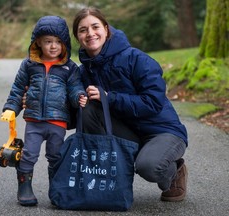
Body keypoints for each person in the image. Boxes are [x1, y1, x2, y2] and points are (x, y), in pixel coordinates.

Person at [71, 7, 188, 202]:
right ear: (77, 37)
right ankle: (106, 178)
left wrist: (110, 97)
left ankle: (175, 170)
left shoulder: (137, 59)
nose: (90, 33)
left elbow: (153, 103)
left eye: (95, 26)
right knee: (89, 109)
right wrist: (40, 103)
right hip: (127, 132)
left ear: (106, 29)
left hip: (162, 131)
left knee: (149, 167)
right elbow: (77, 117)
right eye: (83, 30)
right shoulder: (84, 72)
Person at [2, 15, 87, 206]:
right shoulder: (29, 65)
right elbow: (17, 88)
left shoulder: (69, 68)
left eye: (58, 42)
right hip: (34, 121)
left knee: (56, 156)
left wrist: (79, 96)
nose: (53, 46)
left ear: (65, 44)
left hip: (57, 122)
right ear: (38, 42)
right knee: (28, 154)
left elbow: (74, 87)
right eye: (48, 41)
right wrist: (11, 108)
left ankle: (56, 191)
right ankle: (24, 188)